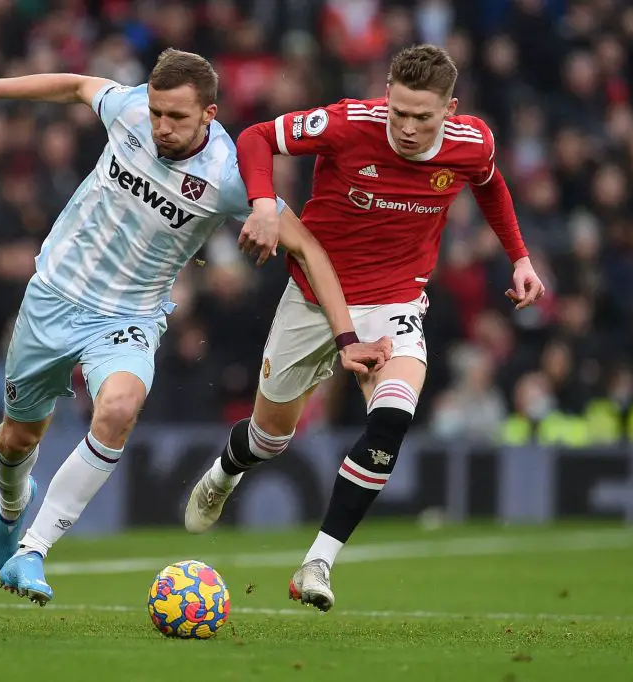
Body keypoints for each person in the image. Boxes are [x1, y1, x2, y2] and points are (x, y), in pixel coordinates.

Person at [0, 48, 391, 605]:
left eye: (177, 117)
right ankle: (10, 512)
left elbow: (307, 246)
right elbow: (76, 85)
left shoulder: (230, 178)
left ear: (209, 115)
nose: (162, 126)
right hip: (53, 295)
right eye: (158, 112)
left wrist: (347, 339)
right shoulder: (131, 108)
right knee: (18, 437)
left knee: (116, 409)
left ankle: (32, 551)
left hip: (130, 315)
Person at [184, 44, 546, 611]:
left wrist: (520, 257)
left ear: (451, 110)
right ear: (386, 94)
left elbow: (490, 182)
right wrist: (261, 204)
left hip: (397, 302)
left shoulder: (473, 143)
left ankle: (318, 562)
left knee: (393, 419)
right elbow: (256, 136)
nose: (405, 126)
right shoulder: (350, 122)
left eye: (421, 117)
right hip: (312, 298)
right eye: (397, 110)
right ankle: (227, 471)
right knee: (269, 439)